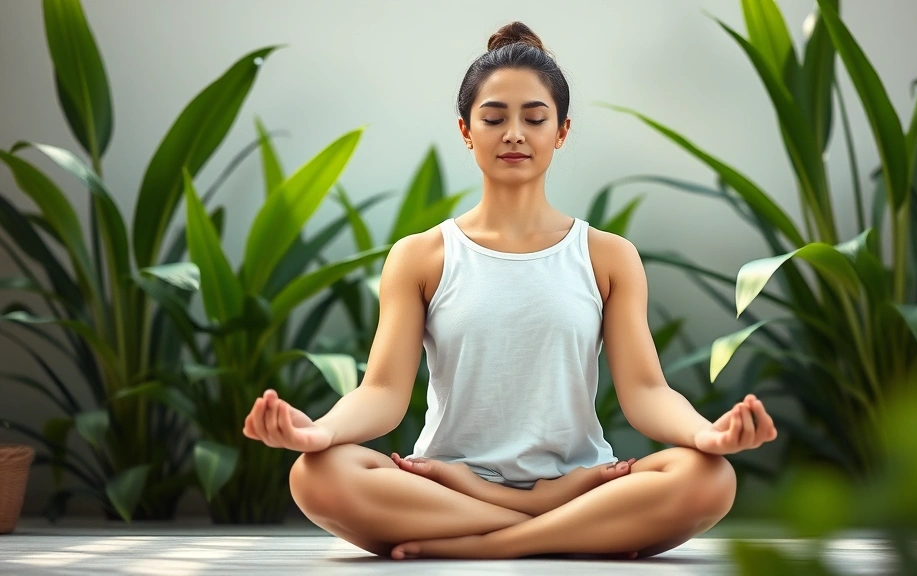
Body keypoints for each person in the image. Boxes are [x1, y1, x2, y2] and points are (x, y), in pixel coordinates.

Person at [242, 21, 778, 561]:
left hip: (575, 481)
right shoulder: (421, 255)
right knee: (316, 474)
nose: (514, 134)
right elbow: (381, 392)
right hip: (450, 487)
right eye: (494, 118)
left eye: (535, 119)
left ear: (561, 131)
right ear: (466, 130)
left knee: (709, 477)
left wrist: (706, 435)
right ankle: (564, 526)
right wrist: (319, 433)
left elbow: (646, 392)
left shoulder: (608, 256)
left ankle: (483, 543)